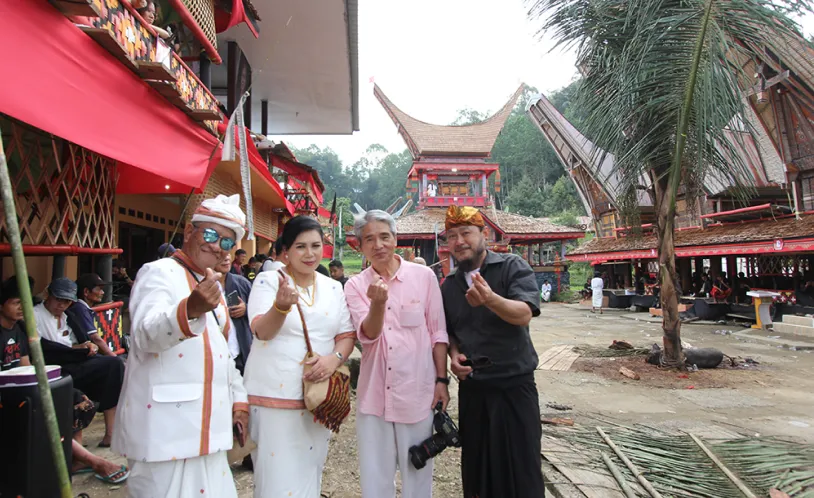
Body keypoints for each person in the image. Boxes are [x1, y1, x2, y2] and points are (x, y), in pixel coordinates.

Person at [112, 194, 248, 498]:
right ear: (189, 231)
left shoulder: (213, 288)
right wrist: (191, 309)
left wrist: (239, 402)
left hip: (210, 431)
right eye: (210, 235)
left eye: (227, 242)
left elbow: (224, 356)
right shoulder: (158, 272)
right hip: (166, 432)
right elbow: (145, 335)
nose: (217, 246)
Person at [245, 216, 356, 498]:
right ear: (286, 251)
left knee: (310, 472)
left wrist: (333, 360)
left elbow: (346, 335)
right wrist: (280, 307)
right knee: (276, 479)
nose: (309, 254)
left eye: (315, 246)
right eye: (301, 246)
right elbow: (261, 331)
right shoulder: (269, 281)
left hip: (318, 397)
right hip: (273, 396)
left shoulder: (333, 287)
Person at [440, 205, 544, 498]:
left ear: (483, 234)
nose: (459, 241)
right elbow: (450, 332)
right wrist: (454, 355)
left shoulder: (511, 267)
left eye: (466, 233)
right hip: (474, 391)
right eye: (452, 236)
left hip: (514, 387)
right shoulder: (450, 286)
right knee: (478, 471)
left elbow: (524, 313)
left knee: (521, 469)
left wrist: (490, 299)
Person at [344, 210, 449, 498]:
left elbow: (438, 333)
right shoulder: (355, 286)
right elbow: (368, 335)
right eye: (369, 239)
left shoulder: (423, 277)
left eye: (384, 237)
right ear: (360, 246)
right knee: (375, 477)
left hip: (417, 392)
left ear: (395, 238)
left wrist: (442, 380)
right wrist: (377, 305)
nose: (378, 245)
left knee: (418, 473)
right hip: (375, 396)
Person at [34, 277, 125, 448]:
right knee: (111, 365)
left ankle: (110, 432)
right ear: (48, 295)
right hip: (53, 365)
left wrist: (88, 346)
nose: (61, 305)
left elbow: (81, 340)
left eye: (67, 301)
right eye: (58, 299)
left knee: (114, 366)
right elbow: (44, 347)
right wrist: (77, 349)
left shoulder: (68, 316)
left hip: (74, 361)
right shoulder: (36, 315)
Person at [215, 253, 252, 373]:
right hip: (215, 357)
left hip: (240, 354)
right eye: (220, 253)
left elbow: (261, 311)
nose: (226, 258)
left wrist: (246, 309)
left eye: (228, 253)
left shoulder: (242, 283)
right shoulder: (201, 287)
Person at [65, 273, 116, 357]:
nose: (102, 292)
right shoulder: (80, 308)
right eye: (99, 289)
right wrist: (114, 358)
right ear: (86, 292)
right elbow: (95, 338)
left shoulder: (81, 307)